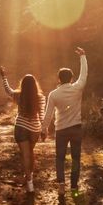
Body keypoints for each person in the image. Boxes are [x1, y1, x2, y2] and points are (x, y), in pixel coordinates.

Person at [42, 46, 87, 193]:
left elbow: (48, 114)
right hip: (76, 128)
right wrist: (83, 56)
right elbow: (84, 74)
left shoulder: (53, 94)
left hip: (61, 130)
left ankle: (61, 185)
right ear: (71, 78)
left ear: (58, 79)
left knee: (60, 158)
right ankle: (74, 186)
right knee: (75, 158)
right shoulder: (77, 88)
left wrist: (44, 130)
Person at [0, 66, 45, 192]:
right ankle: (29, 177)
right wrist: (44, 130)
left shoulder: (18, 95)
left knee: (26, 155)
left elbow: (7, 90)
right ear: (35, 85)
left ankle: (29, 182)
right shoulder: (40, 97)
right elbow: (42, 116)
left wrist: (4, 76)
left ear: (23, 84)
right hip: (35, 129)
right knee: (30, 153)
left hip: (21, 128)